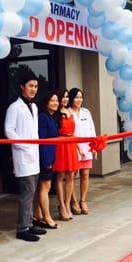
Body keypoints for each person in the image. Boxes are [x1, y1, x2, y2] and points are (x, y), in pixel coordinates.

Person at [4, 71, 47, 242]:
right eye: (30, 86)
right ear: (22, 87)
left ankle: (29, 223)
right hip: (23, 156)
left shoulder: (34, 107)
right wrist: (24, 145)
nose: (33, 89)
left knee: (33, 192)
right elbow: (9, 130)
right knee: (27, 194)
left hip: (33, 156)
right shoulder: (14, 108)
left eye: (36, 86)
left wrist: (33, 146)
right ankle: (22, 229)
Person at [68, 88, 97, 215]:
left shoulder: (86, 112)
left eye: (81, 97)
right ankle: (73, 201)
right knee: (72, 176)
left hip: (87, 148)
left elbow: (92, 130)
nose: (79, 100)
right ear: (71, 98)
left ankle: (83, 200)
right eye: (76, 97)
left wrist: (95, 147)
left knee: (85, 174)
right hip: (73, 148)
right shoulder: (67, 113)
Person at [34, 90, 59, 228]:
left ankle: (38, 215)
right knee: (45, 187)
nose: (56, 103)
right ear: (46, 103)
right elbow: (41, 141)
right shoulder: (43, 117)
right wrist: (46, 160)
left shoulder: (51, 117)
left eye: (57, 100)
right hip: (45, 158)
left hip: (50, 156)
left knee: (43, 188)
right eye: (52, 101)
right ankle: (47, 218)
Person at [53, 88, 80, 221]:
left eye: (66, 97)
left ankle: (68, 204)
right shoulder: (55, 113)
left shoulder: (69, 112)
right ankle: (61, 205)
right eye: (62, 97)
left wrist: (78, 147)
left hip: (71, 144)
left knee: (71, 175)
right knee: (60, 175)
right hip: (61, 145)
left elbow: (74, 131)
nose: (65, 99)